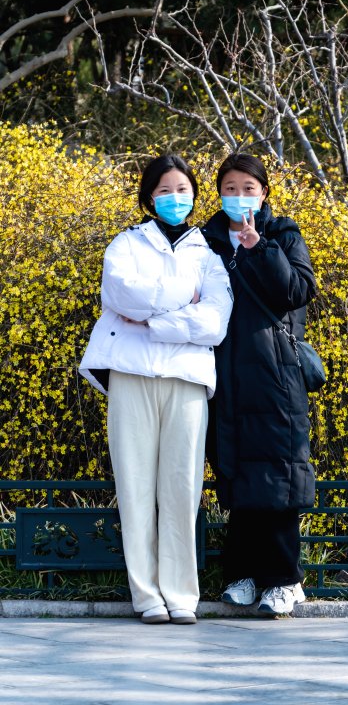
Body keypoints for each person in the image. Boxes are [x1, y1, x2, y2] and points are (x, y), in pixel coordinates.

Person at [79, 154, 233, 625]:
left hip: (186, 380)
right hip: (131, 376)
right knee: (135, 486)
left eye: (183, 190)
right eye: (165, 190)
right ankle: (146, 595)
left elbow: (214, 322)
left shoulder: (208, 254)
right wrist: (180, 302)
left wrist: (153, 320)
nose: (174, 198)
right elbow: (121, 294)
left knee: (182, 489)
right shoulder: (125, 244)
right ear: (149, 197)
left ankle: (181, 594)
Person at [202, 153, 317, 616]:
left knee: (279, 474)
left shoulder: (282, 233)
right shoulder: (205, 241)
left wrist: (258, 246)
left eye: (249, 187)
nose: (240, 196)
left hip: (274, 374)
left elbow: (296, 291)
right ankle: (244, 575)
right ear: (219, 193)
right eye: (230, 187)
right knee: (237, 472)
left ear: (264, 192)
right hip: (222, 375)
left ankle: (285, 579)